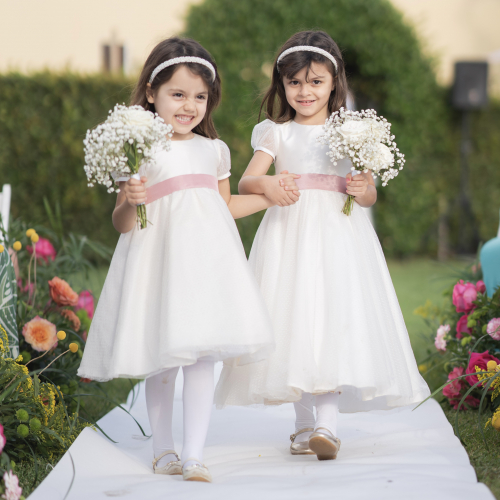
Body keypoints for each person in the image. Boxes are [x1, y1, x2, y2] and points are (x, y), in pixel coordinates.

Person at [215, 30, 429, 461]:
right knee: (294, 317)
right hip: (289, 231)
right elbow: (247, 181)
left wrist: (363, 187)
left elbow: (366, 194)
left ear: (335, 82)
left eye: (315, 81)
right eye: (294, 82)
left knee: (331, 316)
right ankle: (302, 425)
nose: (305, 91)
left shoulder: (350, 130)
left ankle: (327, 425)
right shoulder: (276, 133)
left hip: (337, 234)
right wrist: (271, 183)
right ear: (282, 85)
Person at [78, 37, 275, 482]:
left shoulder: (214, 150)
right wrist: (129, 199)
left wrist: (270, 200)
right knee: (165, 358)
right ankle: (163, 448)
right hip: (160, 264)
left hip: (207, 265)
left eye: (200, 97)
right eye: (178, 94)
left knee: (202, 356)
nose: (189, 106)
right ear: (151, 93)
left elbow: (223, 206)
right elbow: (123, 224)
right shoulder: (138, 148)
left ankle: (194, 452)